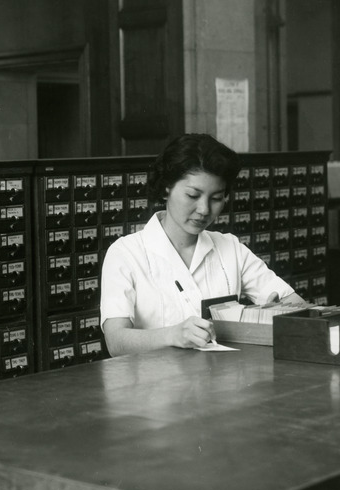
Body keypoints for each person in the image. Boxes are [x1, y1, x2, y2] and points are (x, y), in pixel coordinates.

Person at [100, 133, 305, 356]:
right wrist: (172, 335)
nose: (204, 209)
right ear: (167, 187)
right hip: (155, 387)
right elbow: (116, 341)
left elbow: (294, 302)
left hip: (223, 382)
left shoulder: (230, 248)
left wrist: (275, 312)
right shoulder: (126, 253)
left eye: (216, 198)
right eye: (192, 195)